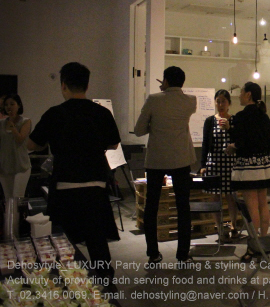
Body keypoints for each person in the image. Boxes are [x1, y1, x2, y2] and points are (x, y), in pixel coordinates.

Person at [28, 62, 120, 280]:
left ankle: (70, 284)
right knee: (97, 240)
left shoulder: (54, 114)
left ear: (63, 85)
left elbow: (32, 144)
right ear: (87, 86)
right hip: (95, 185)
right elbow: (114, 143)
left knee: (64, 242)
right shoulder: (101, 112)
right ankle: (105, 282)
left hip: (64, 186)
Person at [134, 66, 196, 266]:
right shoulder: (190, 101)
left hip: (156, 159)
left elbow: (139, 130)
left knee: (151, 206)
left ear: (166, 81)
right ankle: (183, 254)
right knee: (183, 206)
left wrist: (156, 125)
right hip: (181, 159)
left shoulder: (154, 100)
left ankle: (153, 253)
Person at [225, 82, 270, 262]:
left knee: (251, 206)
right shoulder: (264, 116)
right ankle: (264, 244)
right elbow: (266, 142)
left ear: (248, 95)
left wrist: (230, 137)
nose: (239, 95)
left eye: (241, 92)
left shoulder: (241, 116)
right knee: (263, 204)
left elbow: (241, 141)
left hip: (247, 166)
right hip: (263, 165)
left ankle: (254, 248)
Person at [200, 89, 239, 242]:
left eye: (223, 101)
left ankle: (234, 225)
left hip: (230, 163)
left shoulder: (234, 120)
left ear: (229, 103)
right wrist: (203, 164)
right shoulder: (210, 121)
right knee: (215, 196)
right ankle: (219, 227)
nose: (220, 104)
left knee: (231, 196)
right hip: (213, 163)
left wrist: (229, 128)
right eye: (218, 101)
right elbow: (205, 143)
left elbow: (239, 139)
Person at [0, 94, 32, 239]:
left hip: (21, 166)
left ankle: (17, 234)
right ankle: (9, 235)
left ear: (18, 105)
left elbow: (20, 139)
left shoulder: (26, 121)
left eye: (12, 104)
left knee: (16, 200)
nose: (9, 107)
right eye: (7, 105)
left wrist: (12, 127)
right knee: (8, 201)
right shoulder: (1, 123)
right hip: (4, 166)